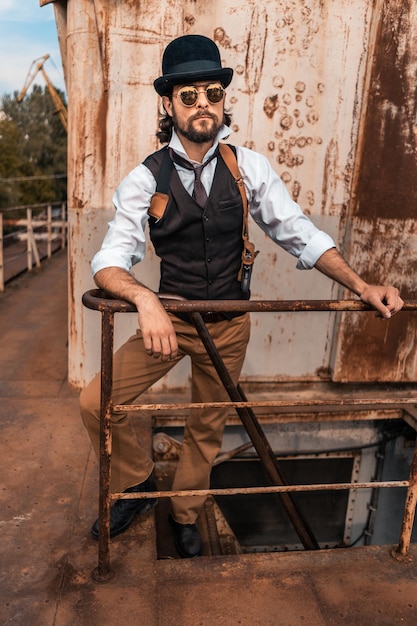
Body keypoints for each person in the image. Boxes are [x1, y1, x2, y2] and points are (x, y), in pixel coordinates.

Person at [79, 34, 404, 558]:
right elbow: (109, 262)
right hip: (174, 321)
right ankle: (137, 484)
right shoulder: (146, 179)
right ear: (168, 104)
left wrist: (363, 286)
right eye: (189, 95)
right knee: (96, 402)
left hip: (230, 323)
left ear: (223, 101)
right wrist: (146, 301)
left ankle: (185, 514)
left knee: (207, 423)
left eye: (213, 92)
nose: (203, 103)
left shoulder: (246, 166)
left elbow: (299, 232)